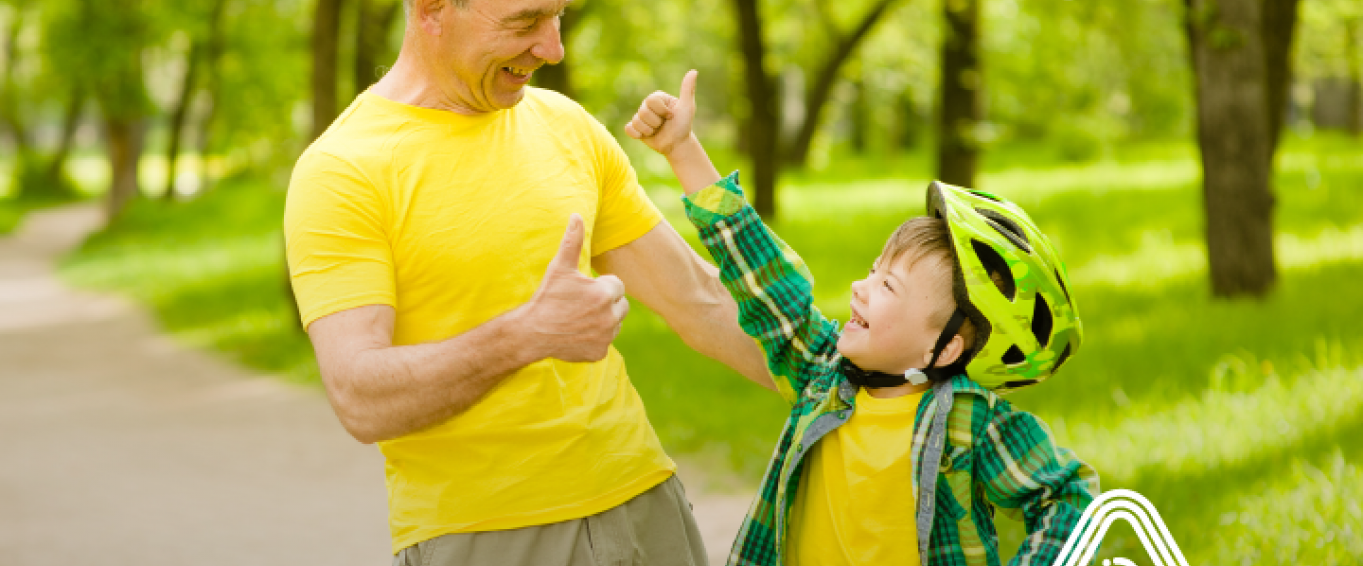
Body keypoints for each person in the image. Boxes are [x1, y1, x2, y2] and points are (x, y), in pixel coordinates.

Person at [283, 1, 774, 564]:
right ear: (432, 10)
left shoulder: (566, 126)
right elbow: (359, 398)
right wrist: (525, 336)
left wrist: (853, 372)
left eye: (557, 15)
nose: (553, 48)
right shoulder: (343, 170)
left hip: (645, 505)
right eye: (524, 22)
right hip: (485, 534)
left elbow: (701, 300)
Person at [624, 71, 1101, 566]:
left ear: (944, 348)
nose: (859, 287)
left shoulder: (969, 421)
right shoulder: (823, 374)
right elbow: (760, 271)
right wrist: (682, 150)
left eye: (887, 286)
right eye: (873, 272)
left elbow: (1068, 499)